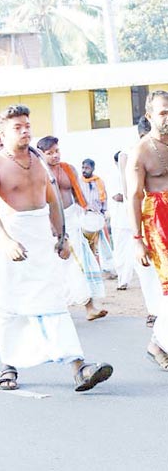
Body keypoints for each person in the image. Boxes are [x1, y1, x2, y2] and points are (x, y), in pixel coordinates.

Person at [0, 104, 113, 392]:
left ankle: (79, 366)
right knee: (10, 305)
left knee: (52, 301)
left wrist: (61, 237)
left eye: (27, 125)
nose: (25, 131)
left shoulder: (39, 160)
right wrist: (6, 241)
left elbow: (53, 202)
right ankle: (8, 366)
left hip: (41, 239)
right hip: (11, 238)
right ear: (3, 132)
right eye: (17, 127)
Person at [37, 136, 107, 320]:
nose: (55, 155)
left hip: (71, 218)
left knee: (79, 261)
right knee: (61, 265)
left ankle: (89, 307)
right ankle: (62, 307)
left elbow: (77, 192)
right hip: (50, 221)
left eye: (56, 151)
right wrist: (52, 226)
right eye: (49, 153)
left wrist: (86, 207)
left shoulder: (68, 169)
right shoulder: (38, 173)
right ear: (41, 155)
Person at [126, 90, 168, 370]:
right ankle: (159, 343)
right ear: (149, 116)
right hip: (158, 222)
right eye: (163, 112)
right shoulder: (140, 151)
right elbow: (134, 196)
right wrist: (138, 239)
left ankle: (157, 342)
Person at [113, 118, 162, 325]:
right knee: (147, 266)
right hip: (141, 212)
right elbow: (130, 193)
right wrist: (137, 234)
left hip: (160, 212)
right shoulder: (131, 154)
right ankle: (154, 310)